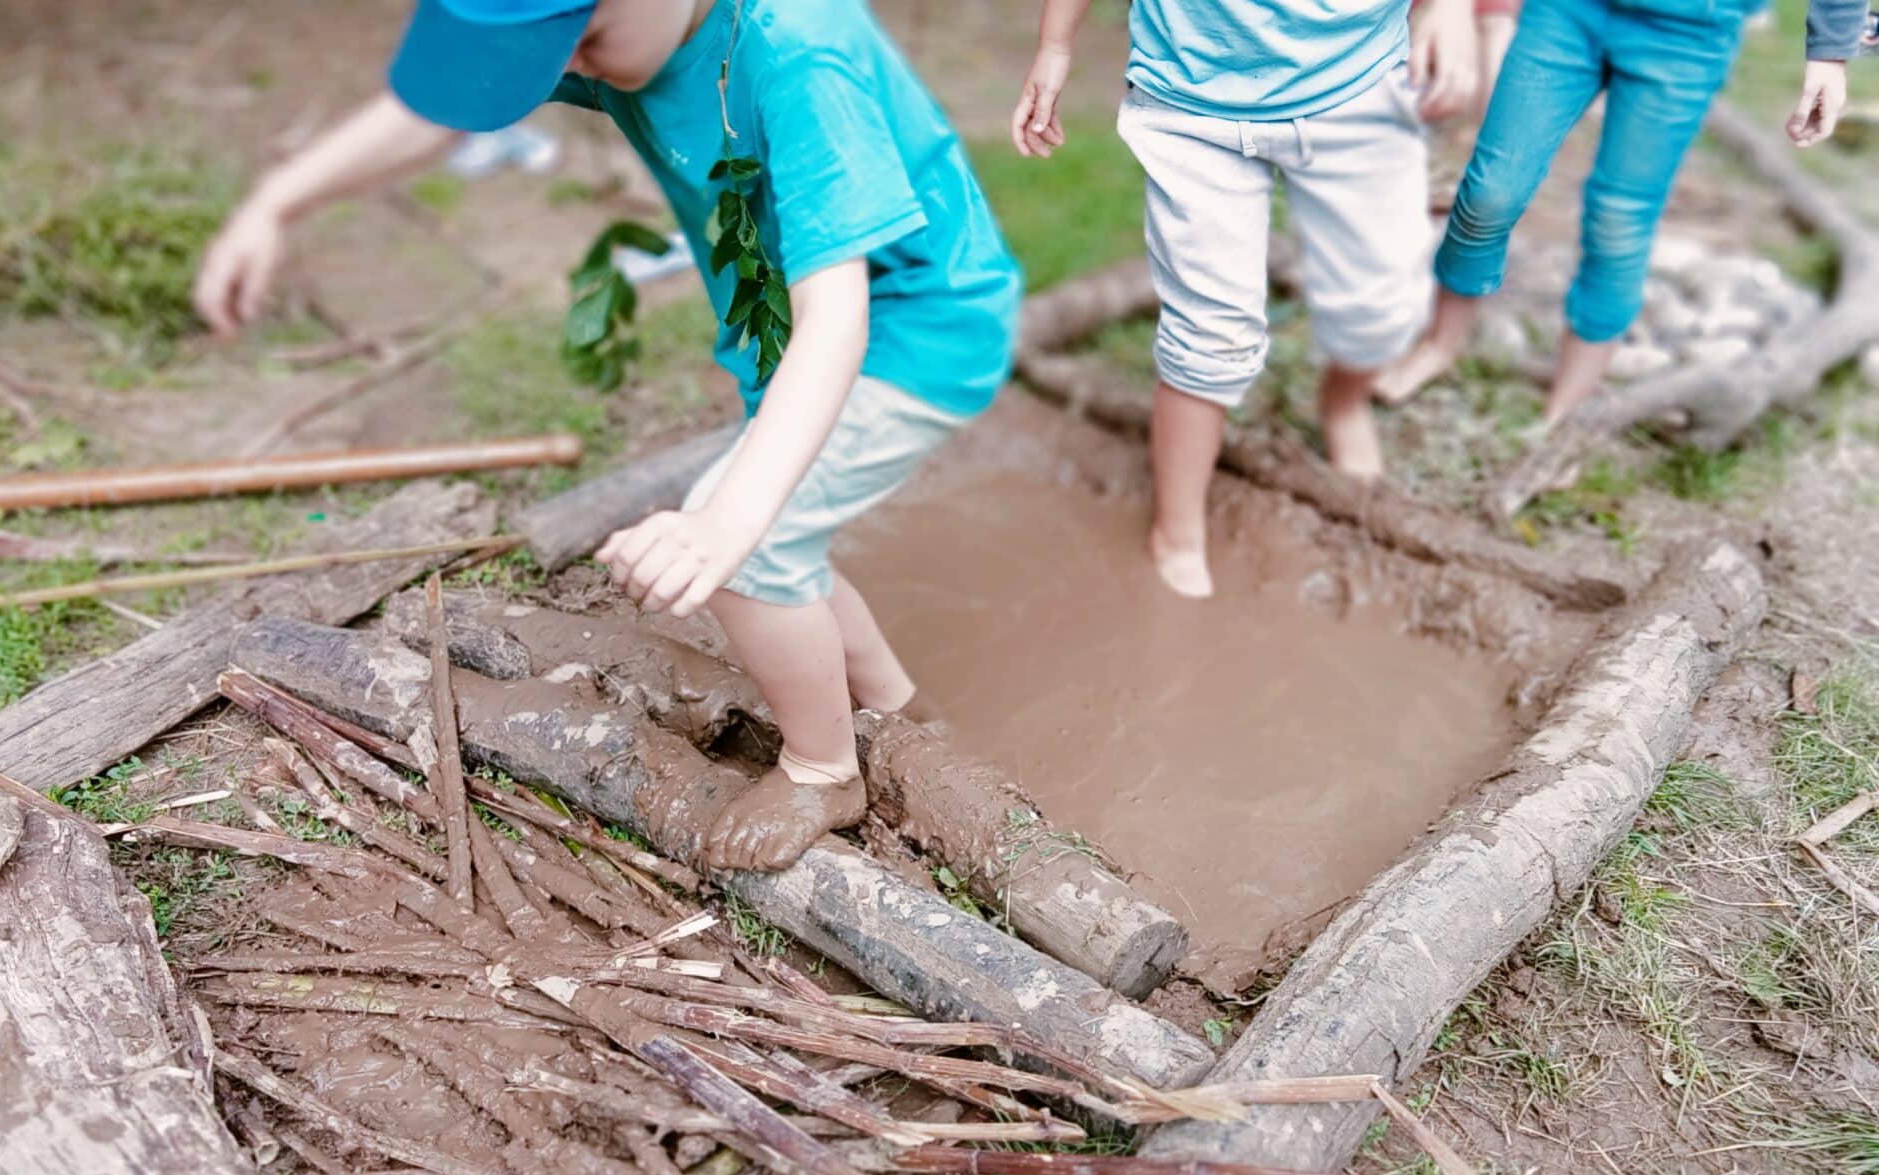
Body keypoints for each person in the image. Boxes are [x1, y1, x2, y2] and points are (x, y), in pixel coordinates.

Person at [194, 0, 1021, 873]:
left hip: (911, 333)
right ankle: (899, 711)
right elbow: (437, 110)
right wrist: (276, 202)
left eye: (582, 40)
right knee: (782, 539)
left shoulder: (798, 53)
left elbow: (838, 315)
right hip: (791, 338)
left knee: (751, 546)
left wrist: (727, 522)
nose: (571, 67)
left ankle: (824, 770)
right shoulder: (627, 31)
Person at [1012, 0, 1477, 599]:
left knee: (1379, 305)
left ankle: (1343, 405)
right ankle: (1176, 532)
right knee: (1208, 330)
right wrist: (1055, 47)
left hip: (1358, 82)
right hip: (1191, 96)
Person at [1376, 0, 1862, 424]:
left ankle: (1567, 412)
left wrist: (1830, 54)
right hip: (1567, 13)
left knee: (1620, 222)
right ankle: (1441, 343)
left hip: (1690, 35)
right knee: (1491, 192)